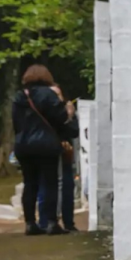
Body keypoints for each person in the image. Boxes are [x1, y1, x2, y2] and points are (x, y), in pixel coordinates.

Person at [12, 64, 79, 235]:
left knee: (30, 183)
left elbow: (16, 123)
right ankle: (50, 222)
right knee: (49, 183)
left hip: (24, 146)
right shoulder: (47, 94)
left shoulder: (19, 97)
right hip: (45, 145)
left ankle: (29, 223)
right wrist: (69, 112)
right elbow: (60, 117)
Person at [37, 84, 78, 232]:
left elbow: (74, 132)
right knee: (46, 187)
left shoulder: (66, 112)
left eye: (57, 95)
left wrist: (70, 116)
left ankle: (68, 222)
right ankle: (45, 222)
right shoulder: (42, 113)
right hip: (48, 154)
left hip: (64, 155)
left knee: (67, 187)